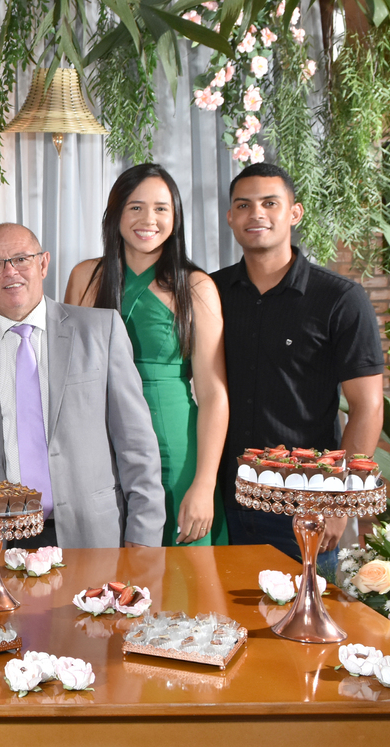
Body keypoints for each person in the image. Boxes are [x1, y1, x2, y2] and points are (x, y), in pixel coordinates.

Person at [0, 223, 165, 548]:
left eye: (21, 259)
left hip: (89, 532)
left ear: (43, 263)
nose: (10, 272)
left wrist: (144, 537)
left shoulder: (101, 331)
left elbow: (136, 444)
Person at [212, 163, 383, 560]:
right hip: (223, 502)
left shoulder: (339, 299)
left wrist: (337, 501)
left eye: (270, 203)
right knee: (223, 621)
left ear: (294, 213)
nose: (256, 214)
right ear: (230, 217)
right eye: (243, 205)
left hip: (305, 509)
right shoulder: (211, 291)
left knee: (306, 621)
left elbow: (367, 405)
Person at [64, 164, 229, 547]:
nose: (148, 219)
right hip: (99, 441)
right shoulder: (86, 277)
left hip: (172, 441)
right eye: (135, 207)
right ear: (115, 214)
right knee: (105, 570)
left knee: (180, 581)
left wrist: (204, 484)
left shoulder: (197, 287)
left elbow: (214, 394)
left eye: (161, 208)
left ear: (175, 217)